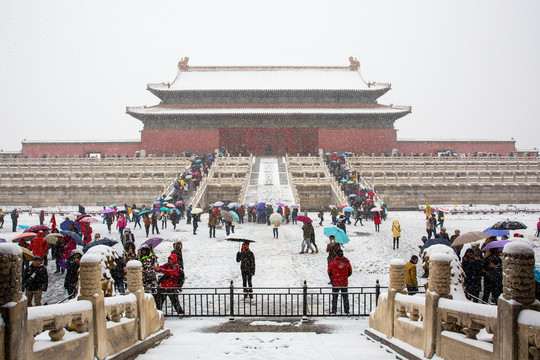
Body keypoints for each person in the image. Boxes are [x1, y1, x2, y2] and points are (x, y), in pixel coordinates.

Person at [328, 249, 352, 314]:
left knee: (335, 297)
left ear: (336, 254)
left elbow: (329, 271)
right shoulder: (346, 262)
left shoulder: (333, 262)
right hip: (344, 282)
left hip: (335, 282)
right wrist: (345, 276)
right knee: (345, 297)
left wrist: (332, 278)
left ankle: (334, 310)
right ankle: (346, 310)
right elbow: (350, 271)